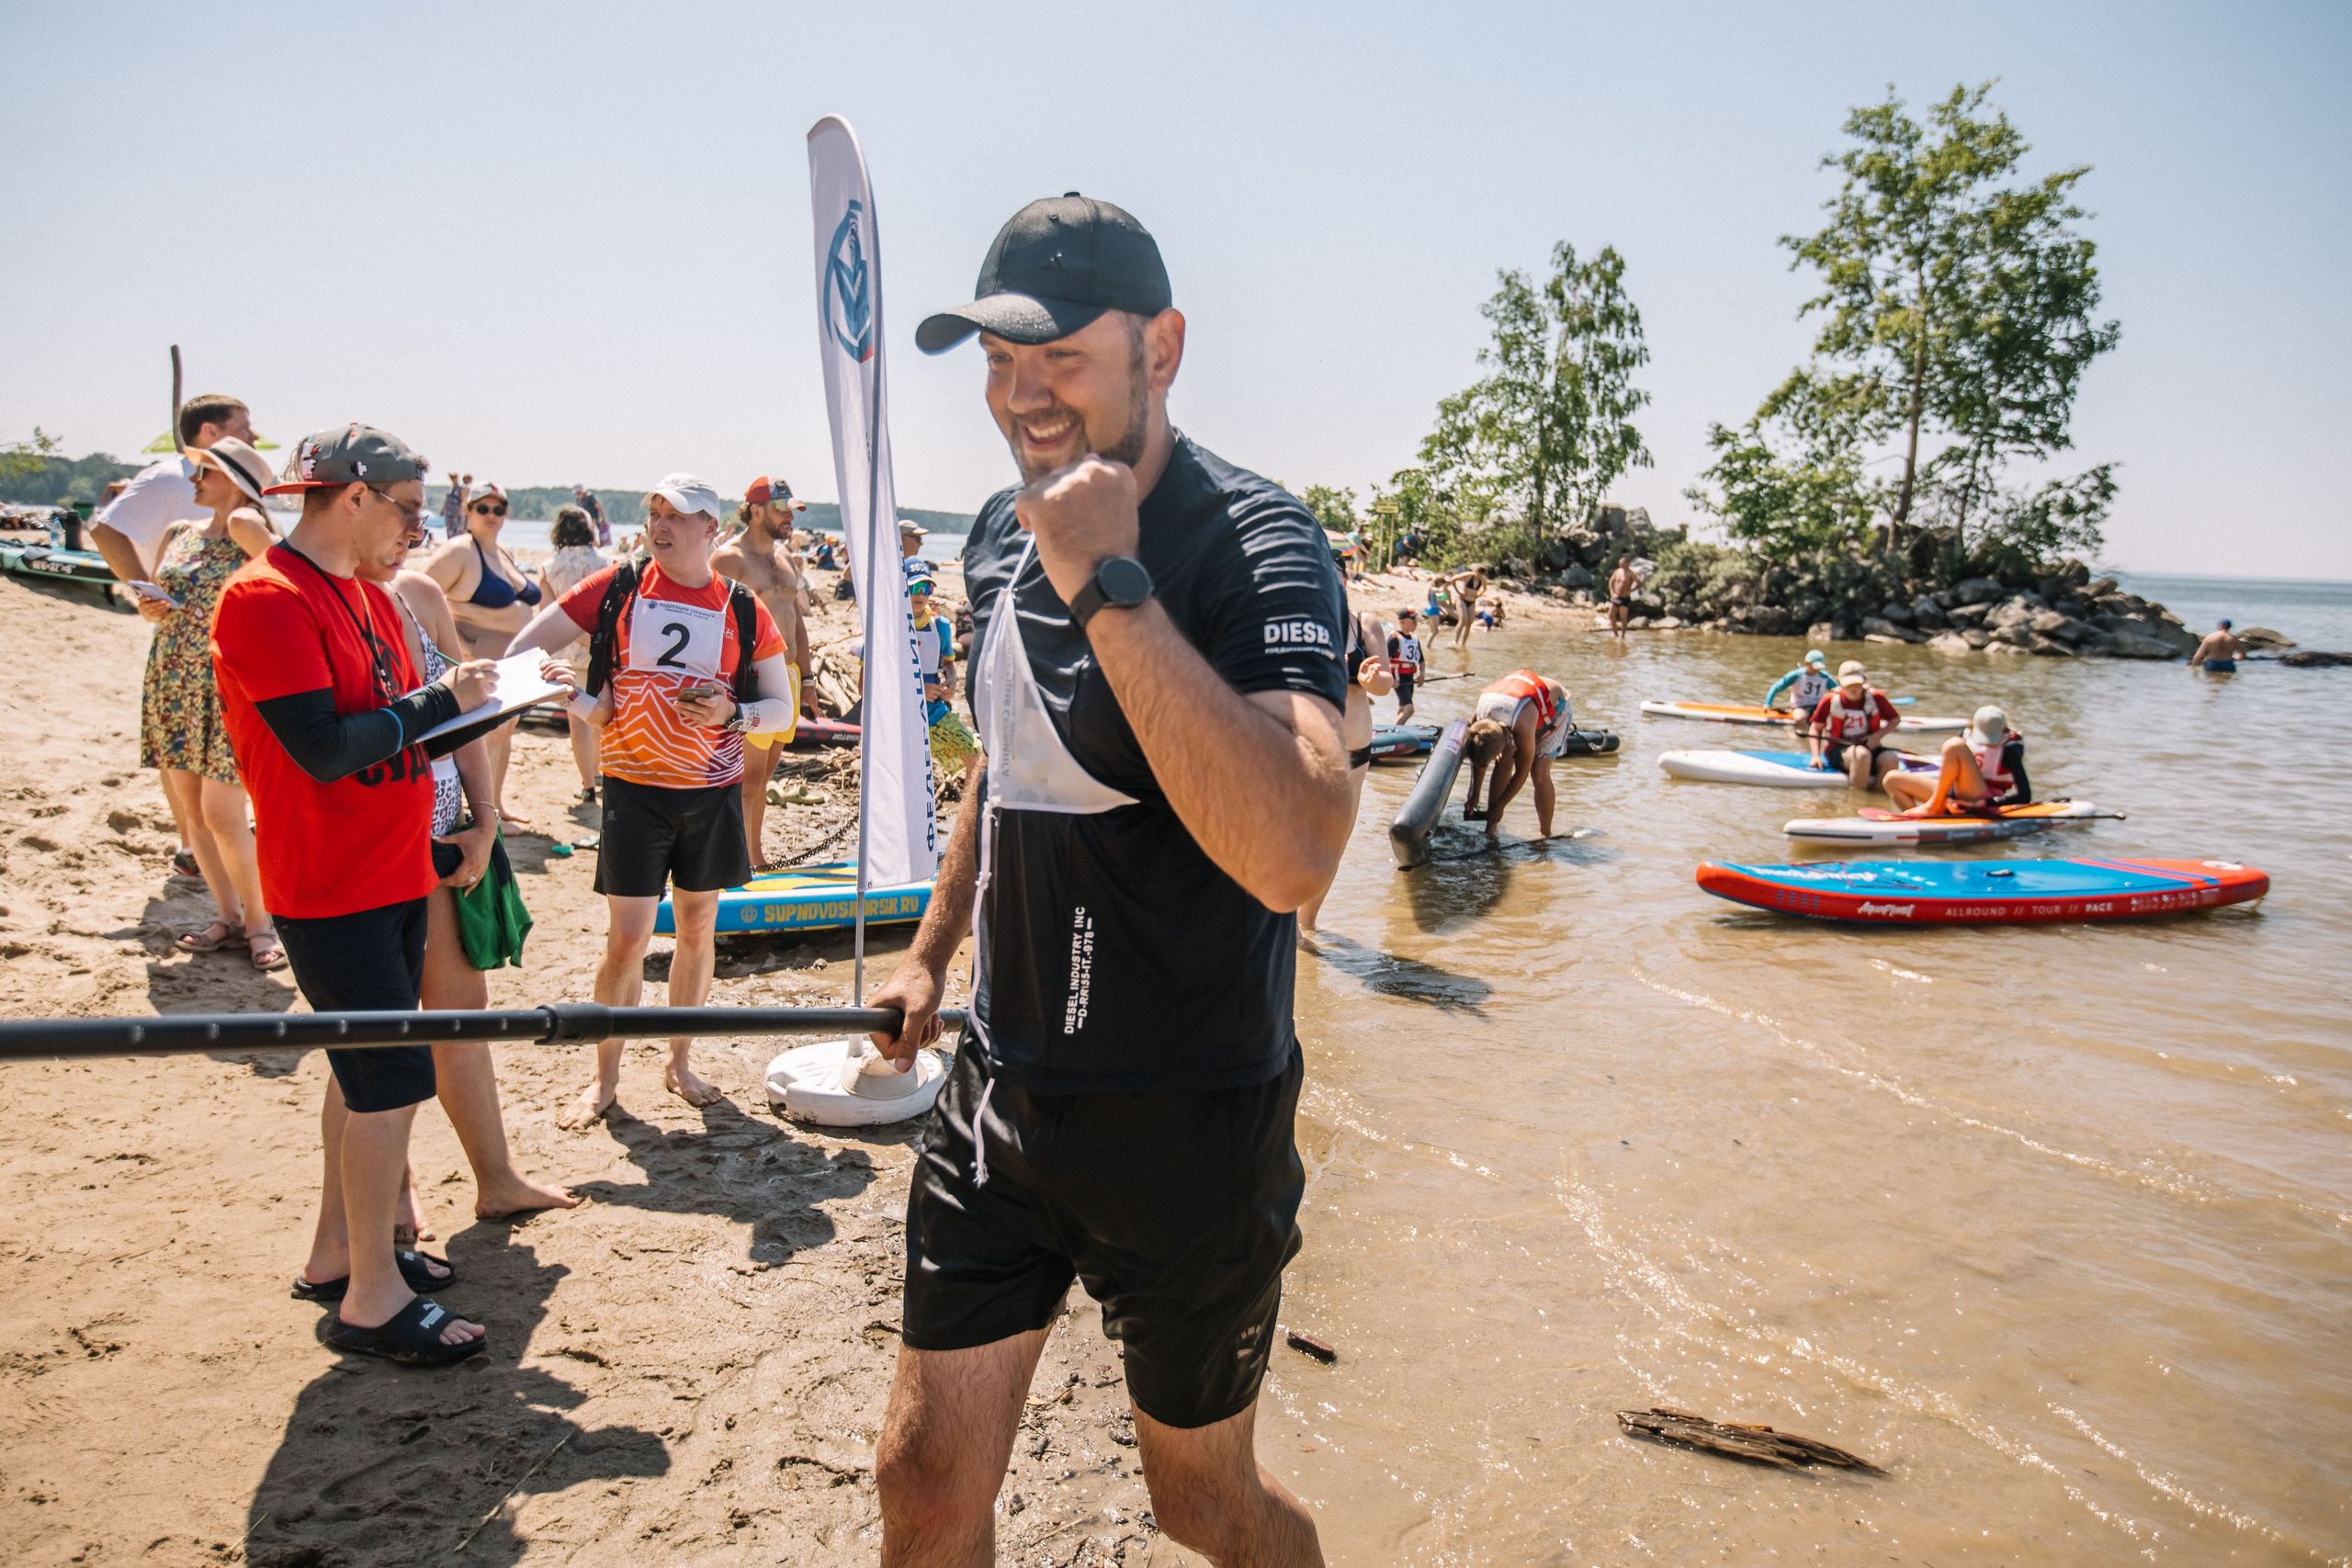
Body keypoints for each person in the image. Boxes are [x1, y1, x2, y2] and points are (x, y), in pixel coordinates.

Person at [869, 192, 1349, 1567]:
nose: (1022, 395)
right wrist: (929, 950)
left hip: (1189, 1118)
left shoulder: (1254, 538)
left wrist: (1105, 579)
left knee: (1203, 1506)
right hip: (1002, 1093)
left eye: (1061, 356)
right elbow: (1006, 762)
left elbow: (1297, 852)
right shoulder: (995, 531)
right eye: (997, 361)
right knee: (922, 1478)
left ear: (1163, 348)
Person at [215, 423, 495, 1366]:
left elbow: (409, 724)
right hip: (329, 883)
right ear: (354, 495)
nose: (420, 530)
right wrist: (446, 700)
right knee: (388, 1082)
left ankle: (341, 1253)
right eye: (410, 511)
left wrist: (481, 735)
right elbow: (327, 749)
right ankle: (372, 1299)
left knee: (362, 1074)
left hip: (396, 866)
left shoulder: (371, 597)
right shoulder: (265, 599)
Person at [503, 474, 797, 1128]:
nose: (660, 524)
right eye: (655, 512)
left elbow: (780, 710)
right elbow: (524, 647)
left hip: (710, 791)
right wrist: (551, 684)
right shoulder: (619, 585)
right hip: (634, 788)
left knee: (696, 927)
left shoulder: (742, 606)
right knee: (629, 938)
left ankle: (679, 1062)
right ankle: (604, 1079)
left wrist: (731, 712)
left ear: (711, 529)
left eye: (677, 515)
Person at [361, 504, 581, 1232]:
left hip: (444, 837)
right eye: (400, 514)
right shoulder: (323, 606)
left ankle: (497, 1177)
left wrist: (485, 819)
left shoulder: (420, 595)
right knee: (378, 1029)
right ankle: (394, 1192)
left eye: (418, 517)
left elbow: (462, 716)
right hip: (372, 849)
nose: (413, 534)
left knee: (463, 1012)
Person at [137, 437, 282, 971]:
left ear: (237, 482)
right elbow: (155, 600)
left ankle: (261, 924)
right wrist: (149, 607)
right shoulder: (179, 532)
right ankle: (228, 917)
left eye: (206, 472)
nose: (194, 481)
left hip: (227, 685)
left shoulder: (249, 528)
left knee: (224, 813)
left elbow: (295, 582)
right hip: (173, 681)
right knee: (194, 812)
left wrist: (251, 525)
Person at [423, 481, 542, 829]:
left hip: (510, 663)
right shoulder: (459, 551)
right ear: (468, 511)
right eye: (483, 508)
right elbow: (418, 600)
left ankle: (497, 806)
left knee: (504, 734)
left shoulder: (501, 551)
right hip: (478, 662)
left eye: (498, 509)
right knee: (484, 739)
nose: (492, 515)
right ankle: (482, 813)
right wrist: (458, 641)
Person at [713, 477, 813, 867]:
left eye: (792, 511)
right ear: (756, 511)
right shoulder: (729, 559)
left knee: (764, 776)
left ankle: (754, 854)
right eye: (782, 510)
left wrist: (807, 678)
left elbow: (796, 620)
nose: (790, 518)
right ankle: (739, 858)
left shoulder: (785, 558)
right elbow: (709, 619)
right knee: (747, 778)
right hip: (752, 677)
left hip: (787, 677)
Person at [89, 393, 254, 586]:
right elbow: (104, 531)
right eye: (244, 428)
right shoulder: (166, 478)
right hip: (182, 603)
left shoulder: (232, 482)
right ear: (209, 430)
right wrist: (146, 592)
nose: (254, 436)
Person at [1298, 607, 1393, 931]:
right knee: (1297, 841)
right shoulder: (1296, 612)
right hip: (1305, 748)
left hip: (1355, 753)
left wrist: (1372, 680)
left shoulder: (1364, 623)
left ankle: (1307, 927)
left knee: (1333, 847)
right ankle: (1285, 929)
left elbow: (1385, 683)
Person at [537, 506, 610, 804]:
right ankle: (601, 772)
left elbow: (545, 615)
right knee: (601, 716)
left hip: (565, 655)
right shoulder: (606, 563)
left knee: (577, 721)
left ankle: (587, 784)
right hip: (600, 652)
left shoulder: (549, 567)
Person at [1462, 668, 1572, 840]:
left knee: (1538, 772)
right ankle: (1491, 828)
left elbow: (1522, 773)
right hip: (1515, 702)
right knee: (1504, 760)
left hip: (1556, 708)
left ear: (1505, 738)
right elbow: (1479, 760)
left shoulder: (1522, 726)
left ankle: (1545, 834)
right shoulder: (1479, 718)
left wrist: (1500, 805)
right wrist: (1474, 795)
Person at [1885, 705, 2030, 817]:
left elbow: (2025, 796)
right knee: (1892, 779)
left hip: (1985, 801)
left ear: (2003, 730)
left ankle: (1933, 807)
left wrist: (1981, 803)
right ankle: (1922, 821)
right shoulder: (1966, 734)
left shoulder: (2011, 748)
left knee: (1954, 745)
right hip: (1955, 796)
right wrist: (1949, 800)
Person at [909, 576, 980, 783]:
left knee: (978, 759)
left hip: (934, 713)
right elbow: (865, 687)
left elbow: (948, 662)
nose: (921, 594)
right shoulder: (886, 626)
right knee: (911, 776)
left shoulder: (939, 625)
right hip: (900, 719)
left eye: (927, 588)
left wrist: (952, 679)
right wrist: (919, 689)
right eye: (914, 587)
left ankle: (969, 804)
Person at [1806, 660, 1905, 790]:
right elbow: (1815, 728)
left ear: (1864, 681)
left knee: (1891, 759)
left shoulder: (1876, 698)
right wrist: (1816, 756)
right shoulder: (1829, 700)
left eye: (1857, 684)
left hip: (1870, 746)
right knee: (1862, 755)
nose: (1853, 688)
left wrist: (1877, 736)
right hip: (1838, 749)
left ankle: (1876, 796)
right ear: (1840, 682)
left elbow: (1895, 719)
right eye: (1849, 684)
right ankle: (1857, 797)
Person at [1764, 649, 1834, 721]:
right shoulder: (1796, 675)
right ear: (1806, 663)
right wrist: (1767, 704)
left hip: (1818, 707)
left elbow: (1838, 690)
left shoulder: (1825, 677)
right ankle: (1803, 727)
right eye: (1814, 667)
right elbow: (1775, 687)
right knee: (1800, 718)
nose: (1816, 670)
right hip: (1800, 707)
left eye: (1818, 668)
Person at [1386, 607, 1424, 723]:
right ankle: (1397, 729)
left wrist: (1422, 674)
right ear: (1402, 622)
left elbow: (1421, 660)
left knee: (1403, 706)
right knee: (1409, 709)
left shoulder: (1414, 639)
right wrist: (1391, 679)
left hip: (1409, 678)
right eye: (1413, 621)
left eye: (1416, 621)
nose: (1415, 624)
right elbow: (1384, 659)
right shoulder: (1395, 639)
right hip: (1398, 679)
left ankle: (1396, 727)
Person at [1445, 566, 1487, 650]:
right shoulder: (1468, 575)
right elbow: (1453, 579)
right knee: (1463, 620)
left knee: (1470, 621)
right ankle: (1455, 641)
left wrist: (1479, 595)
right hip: (1462, 599)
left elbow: (1484, 588)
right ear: (1475, 571)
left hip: (1472, 601)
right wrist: (1458, 591)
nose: (1478, 576)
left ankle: (1463, 644)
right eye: (1477, 574)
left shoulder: (1482, 579)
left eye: (1480, 575)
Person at [1606, 556, 1639, 644]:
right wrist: (1612, 592)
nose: (1620, 564)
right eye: (1620, 563)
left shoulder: (1631, 574)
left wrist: (1630, 591)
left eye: (1622, 563)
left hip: (1624, 598)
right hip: (1615, 596)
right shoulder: (1617, 571)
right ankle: (1615, 634)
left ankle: (1623, 636)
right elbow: (1611, 581)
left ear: (1627, 564)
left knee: (1622, 618)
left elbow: (1639, 583)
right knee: (1611, 615)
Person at [572, 484, 609, 548]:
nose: (578, 494)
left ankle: (597, 548)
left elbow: (599, 507)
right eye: (576, 493)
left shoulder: (590, 497)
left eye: (579, 493)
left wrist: (603, 518)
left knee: (592, 535)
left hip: (593, 519)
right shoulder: (578, 500)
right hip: (583, 521)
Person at [439, 472, 471, 544]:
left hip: (456, 510)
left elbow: (463, 499)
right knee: (449, 527)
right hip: (449, 511)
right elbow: (446, 499)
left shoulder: (460, 488)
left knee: (458, 528)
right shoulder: (450, 488)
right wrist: (443, 509)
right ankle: (450, 542)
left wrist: (461, 510)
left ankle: (458, 544)